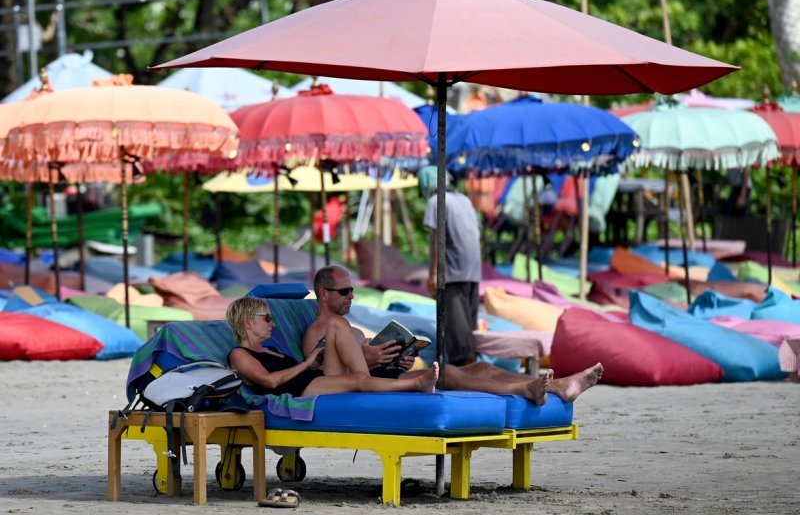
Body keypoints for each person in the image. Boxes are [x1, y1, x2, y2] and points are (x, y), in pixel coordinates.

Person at [304, 265, 603, 406]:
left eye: (352, 290)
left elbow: (365, 363)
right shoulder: (316, 332)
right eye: (344, 291)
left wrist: (396, 356)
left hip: (385, 376)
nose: (351, 296)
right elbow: (329, 376)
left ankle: (556, 386)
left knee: (482, 367)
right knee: (448, 373)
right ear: (323, 294)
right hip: (364, 389)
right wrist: (367, 361)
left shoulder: (351, 328)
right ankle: (530, 389)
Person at [226, 296, 438, 397]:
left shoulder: (271, 350)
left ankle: (371, 375)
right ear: (247, 322)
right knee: (358, 379)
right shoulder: (239, 354)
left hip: (312, 379)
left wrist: (313, 363)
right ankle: (416, 384)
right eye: (267, 318)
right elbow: (269, 381)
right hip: (300, 390)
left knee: (338, 324)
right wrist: (307, 363)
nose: (272, 323)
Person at [419, 167, 482, 366]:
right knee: (467, 329)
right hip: (473, 271)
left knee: (458, 338)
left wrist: (434, 274)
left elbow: (438, 239)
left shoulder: (436, 201)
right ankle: (471, 369)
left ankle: (466, 377)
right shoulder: (464, 200)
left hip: (453, 272)